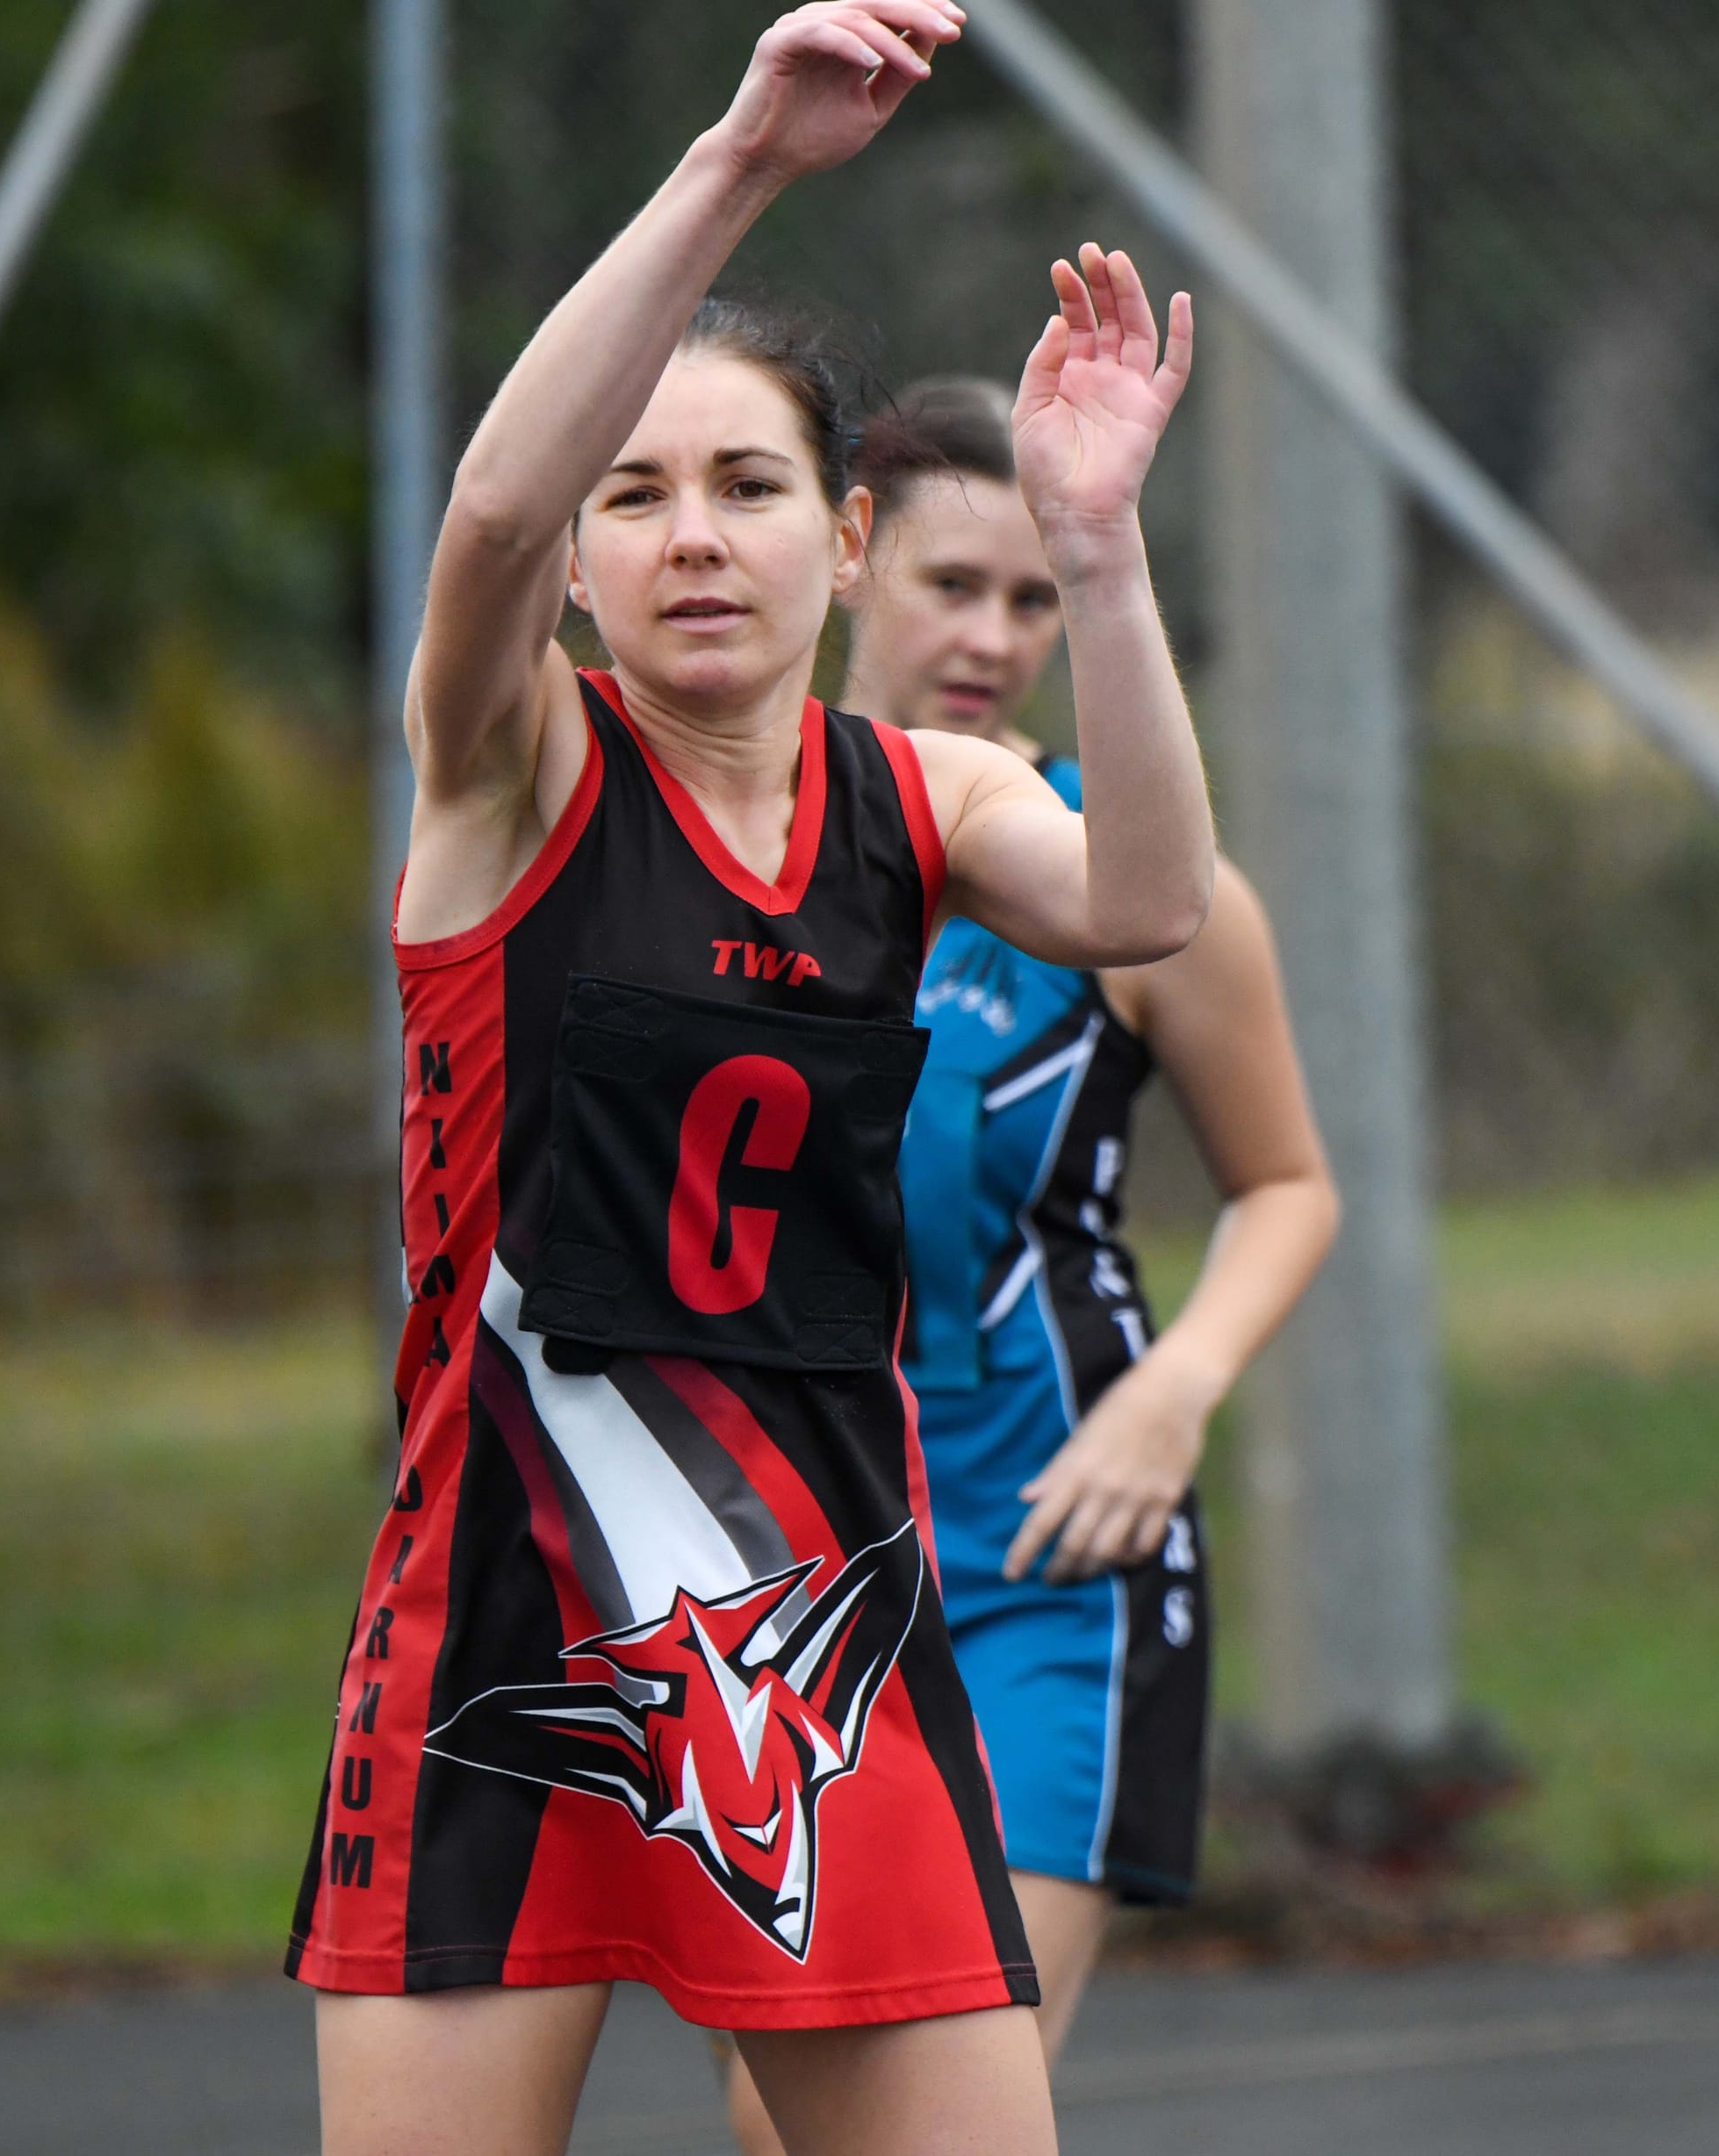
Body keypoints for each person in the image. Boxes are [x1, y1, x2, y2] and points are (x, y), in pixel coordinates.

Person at [285, 0, 1215, 2156]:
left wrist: (1099, 547)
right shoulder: (514, 774)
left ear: (849, 542)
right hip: (502, 1638)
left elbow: (1155, 899)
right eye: (641, 495)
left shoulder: (926, 800)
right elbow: (489, 521)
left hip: (817, 1658)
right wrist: (742, 159)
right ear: (587, 567)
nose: (689, 531)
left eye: (745, 484)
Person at [722, 377, 1338, 2154]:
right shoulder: (698, 857)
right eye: (950, 586)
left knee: (911, 2103)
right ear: (845, 562)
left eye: (1032, 596)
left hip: (1043, 1568)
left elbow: (1288, 1183)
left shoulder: (1137, 886)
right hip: (763, 1576)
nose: (993, 635)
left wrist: (1176, 1390)